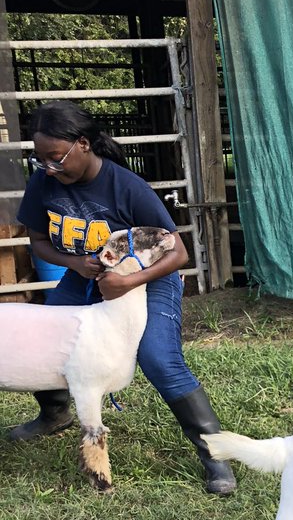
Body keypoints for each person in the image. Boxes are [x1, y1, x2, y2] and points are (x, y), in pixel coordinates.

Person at [9, 100, 236, 496]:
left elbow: (177, 253)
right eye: (41, 159)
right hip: (88, 275)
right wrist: (75, 264)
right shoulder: (44, 182)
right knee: (42, 339)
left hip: (149, 279)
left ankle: (214, 452)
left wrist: (130, 283)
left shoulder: (126, 186)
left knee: (157, 357)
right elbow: (39, 242)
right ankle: (54, 413)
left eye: (56, 157)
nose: (49, 167)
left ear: (82, 144)